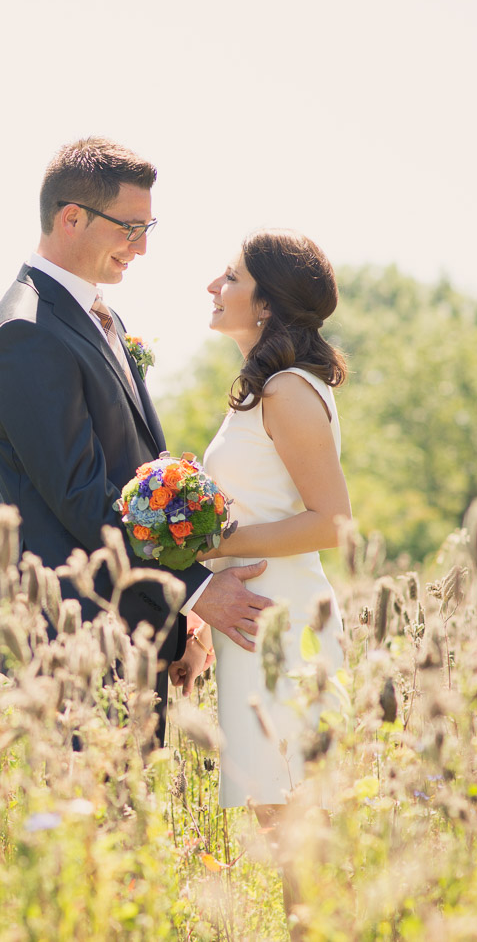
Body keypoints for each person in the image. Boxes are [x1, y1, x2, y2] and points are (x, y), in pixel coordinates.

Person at [0, 137, 273, 742]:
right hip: (71, 643)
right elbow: (83, 497)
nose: (142, 247)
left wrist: (176, 624)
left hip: (131, 634)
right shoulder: (26, 334)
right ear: (71, 218)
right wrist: (196, 593)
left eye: (147, 227)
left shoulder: (95, 316)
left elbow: (136, 479)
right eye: (130, 228)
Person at [199, 228, 350, 819]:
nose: (213, 286)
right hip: (251, 622)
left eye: (231, 277)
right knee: (276, 823)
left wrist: (217, 544)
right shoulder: (267, 390)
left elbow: (332, 522)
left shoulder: (287, 391)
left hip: (284, 628)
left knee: (293, 825)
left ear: (266, 303)